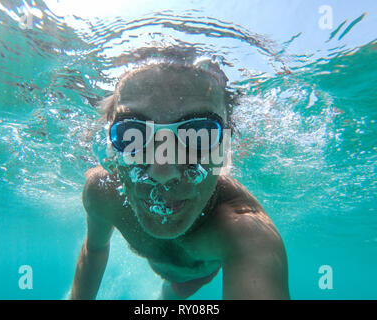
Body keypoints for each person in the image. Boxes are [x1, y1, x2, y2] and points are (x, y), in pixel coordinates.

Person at [70, 48, 290, 300]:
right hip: (182, 268)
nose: (162, 173)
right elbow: (94, 250)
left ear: (225, 148)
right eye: (133, 134)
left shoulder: (244, 230)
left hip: (195, 277)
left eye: (199, 134)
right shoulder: (101, 192)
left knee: (174, 294)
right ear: (111, 145)